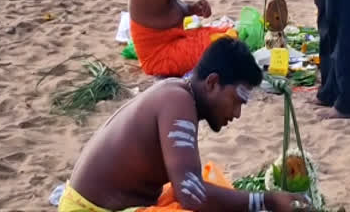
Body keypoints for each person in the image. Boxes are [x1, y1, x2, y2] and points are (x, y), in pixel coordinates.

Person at [59, 35, 308, 212]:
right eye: (236, 100)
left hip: (117, 202)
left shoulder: (178, 94)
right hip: (90, 208)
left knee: (217, 191)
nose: (237, 113)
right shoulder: (177, 100)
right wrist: (267, 202)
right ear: (212, 83)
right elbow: (191, 196)